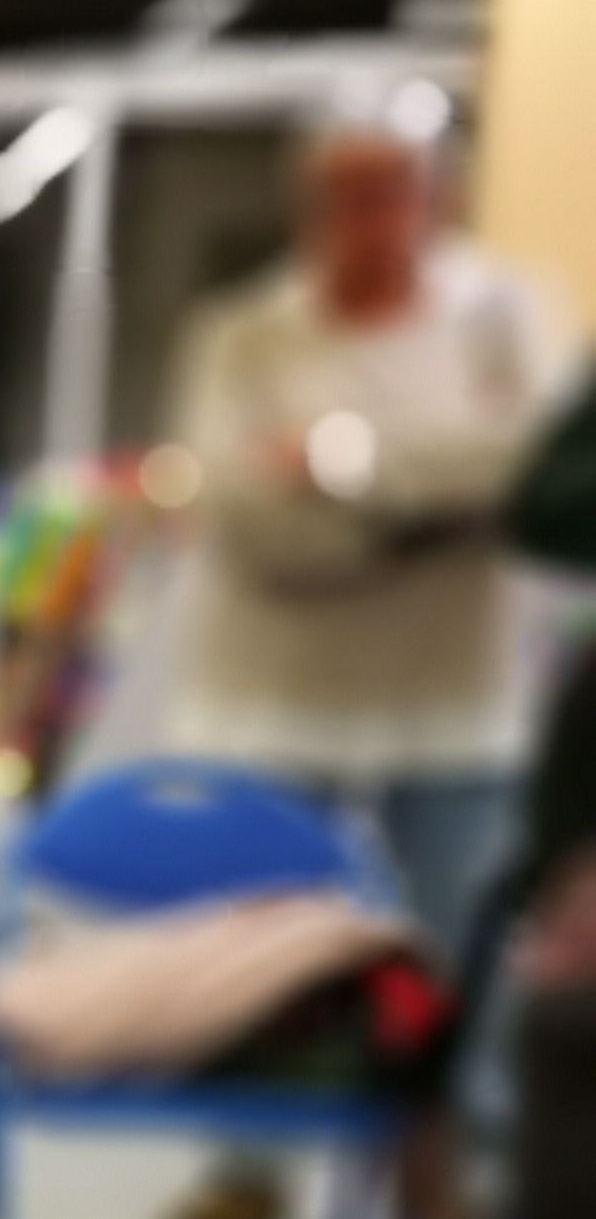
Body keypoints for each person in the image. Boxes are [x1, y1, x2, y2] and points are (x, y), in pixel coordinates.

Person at [163, 109, 579, 977]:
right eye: (348, 196)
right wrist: (439, 518)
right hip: (273, 703)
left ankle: (437, 1120)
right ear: (308, 206)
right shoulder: (244, 334)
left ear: (440, 198)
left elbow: (532, 476)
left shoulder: (507, 317)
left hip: (456, 704)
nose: (374, 217)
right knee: (262, 975)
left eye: (396, 192)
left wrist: (334, 460)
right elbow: (251, 524)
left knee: (457, 973)